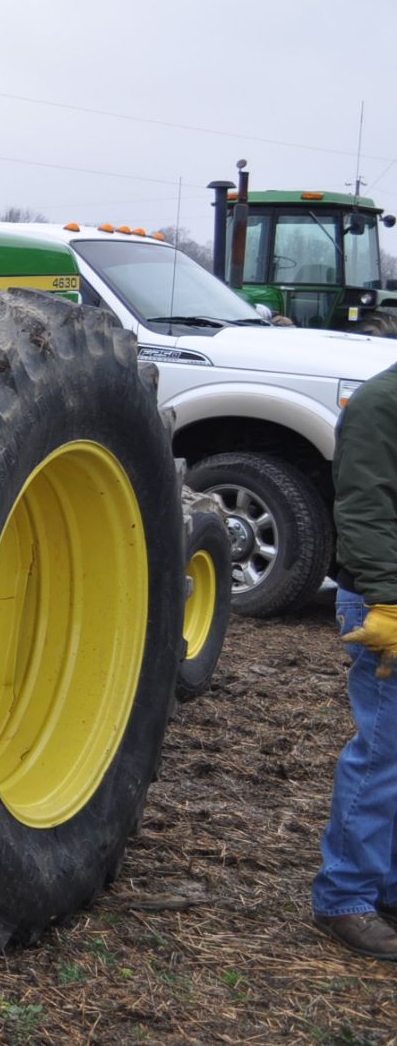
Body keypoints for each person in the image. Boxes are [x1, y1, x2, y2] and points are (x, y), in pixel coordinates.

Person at [313, 362, 397, 956]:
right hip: (385, 601)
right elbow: (366, 507)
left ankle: (387, 887)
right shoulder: (382, 404)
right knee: (383, 757)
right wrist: (388, 602)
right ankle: (346, 898)